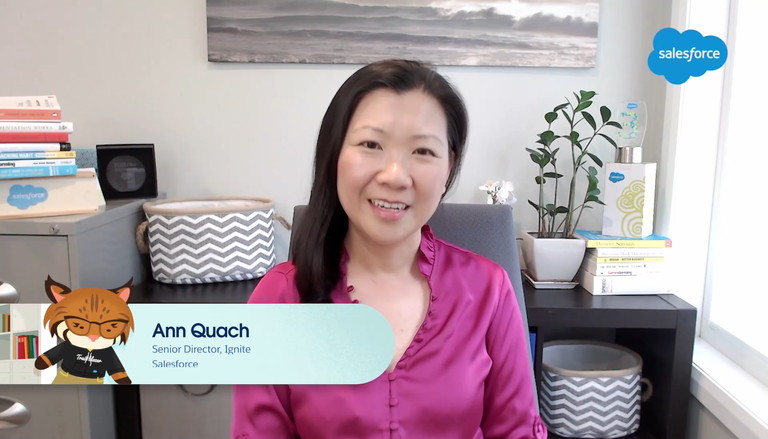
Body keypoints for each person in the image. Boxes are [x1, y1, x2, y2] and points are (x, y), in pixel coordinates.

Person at [232, 59, 546, 438]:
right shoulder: (279, 299)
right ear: (334, 154)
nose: (395, 176)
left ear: (449, 166)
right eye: (371, 144)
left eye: (423, 151)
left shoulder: (488, 290)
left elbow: (515, 429)